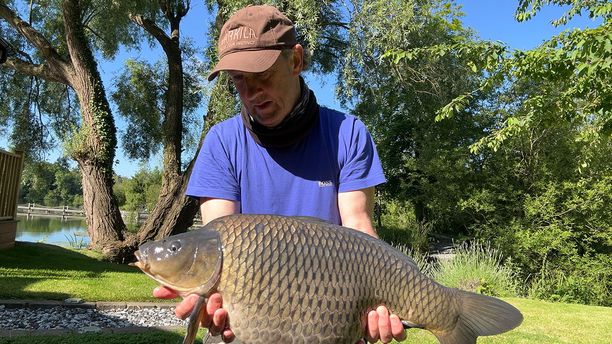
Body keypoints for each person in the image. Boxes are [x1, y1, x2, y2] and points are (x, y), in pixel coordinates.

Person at [153, 4, 406, 343]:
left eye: (263, 75)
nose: (252, 92)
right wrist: (205, 297)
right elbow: (219, 239)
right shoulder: (221, 143)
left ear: (296, 61)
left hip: (331, 315)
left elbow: (359, 229)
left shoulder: (348, 133)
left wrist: (383, 303)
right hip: (243, 323)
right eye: (239, 80)